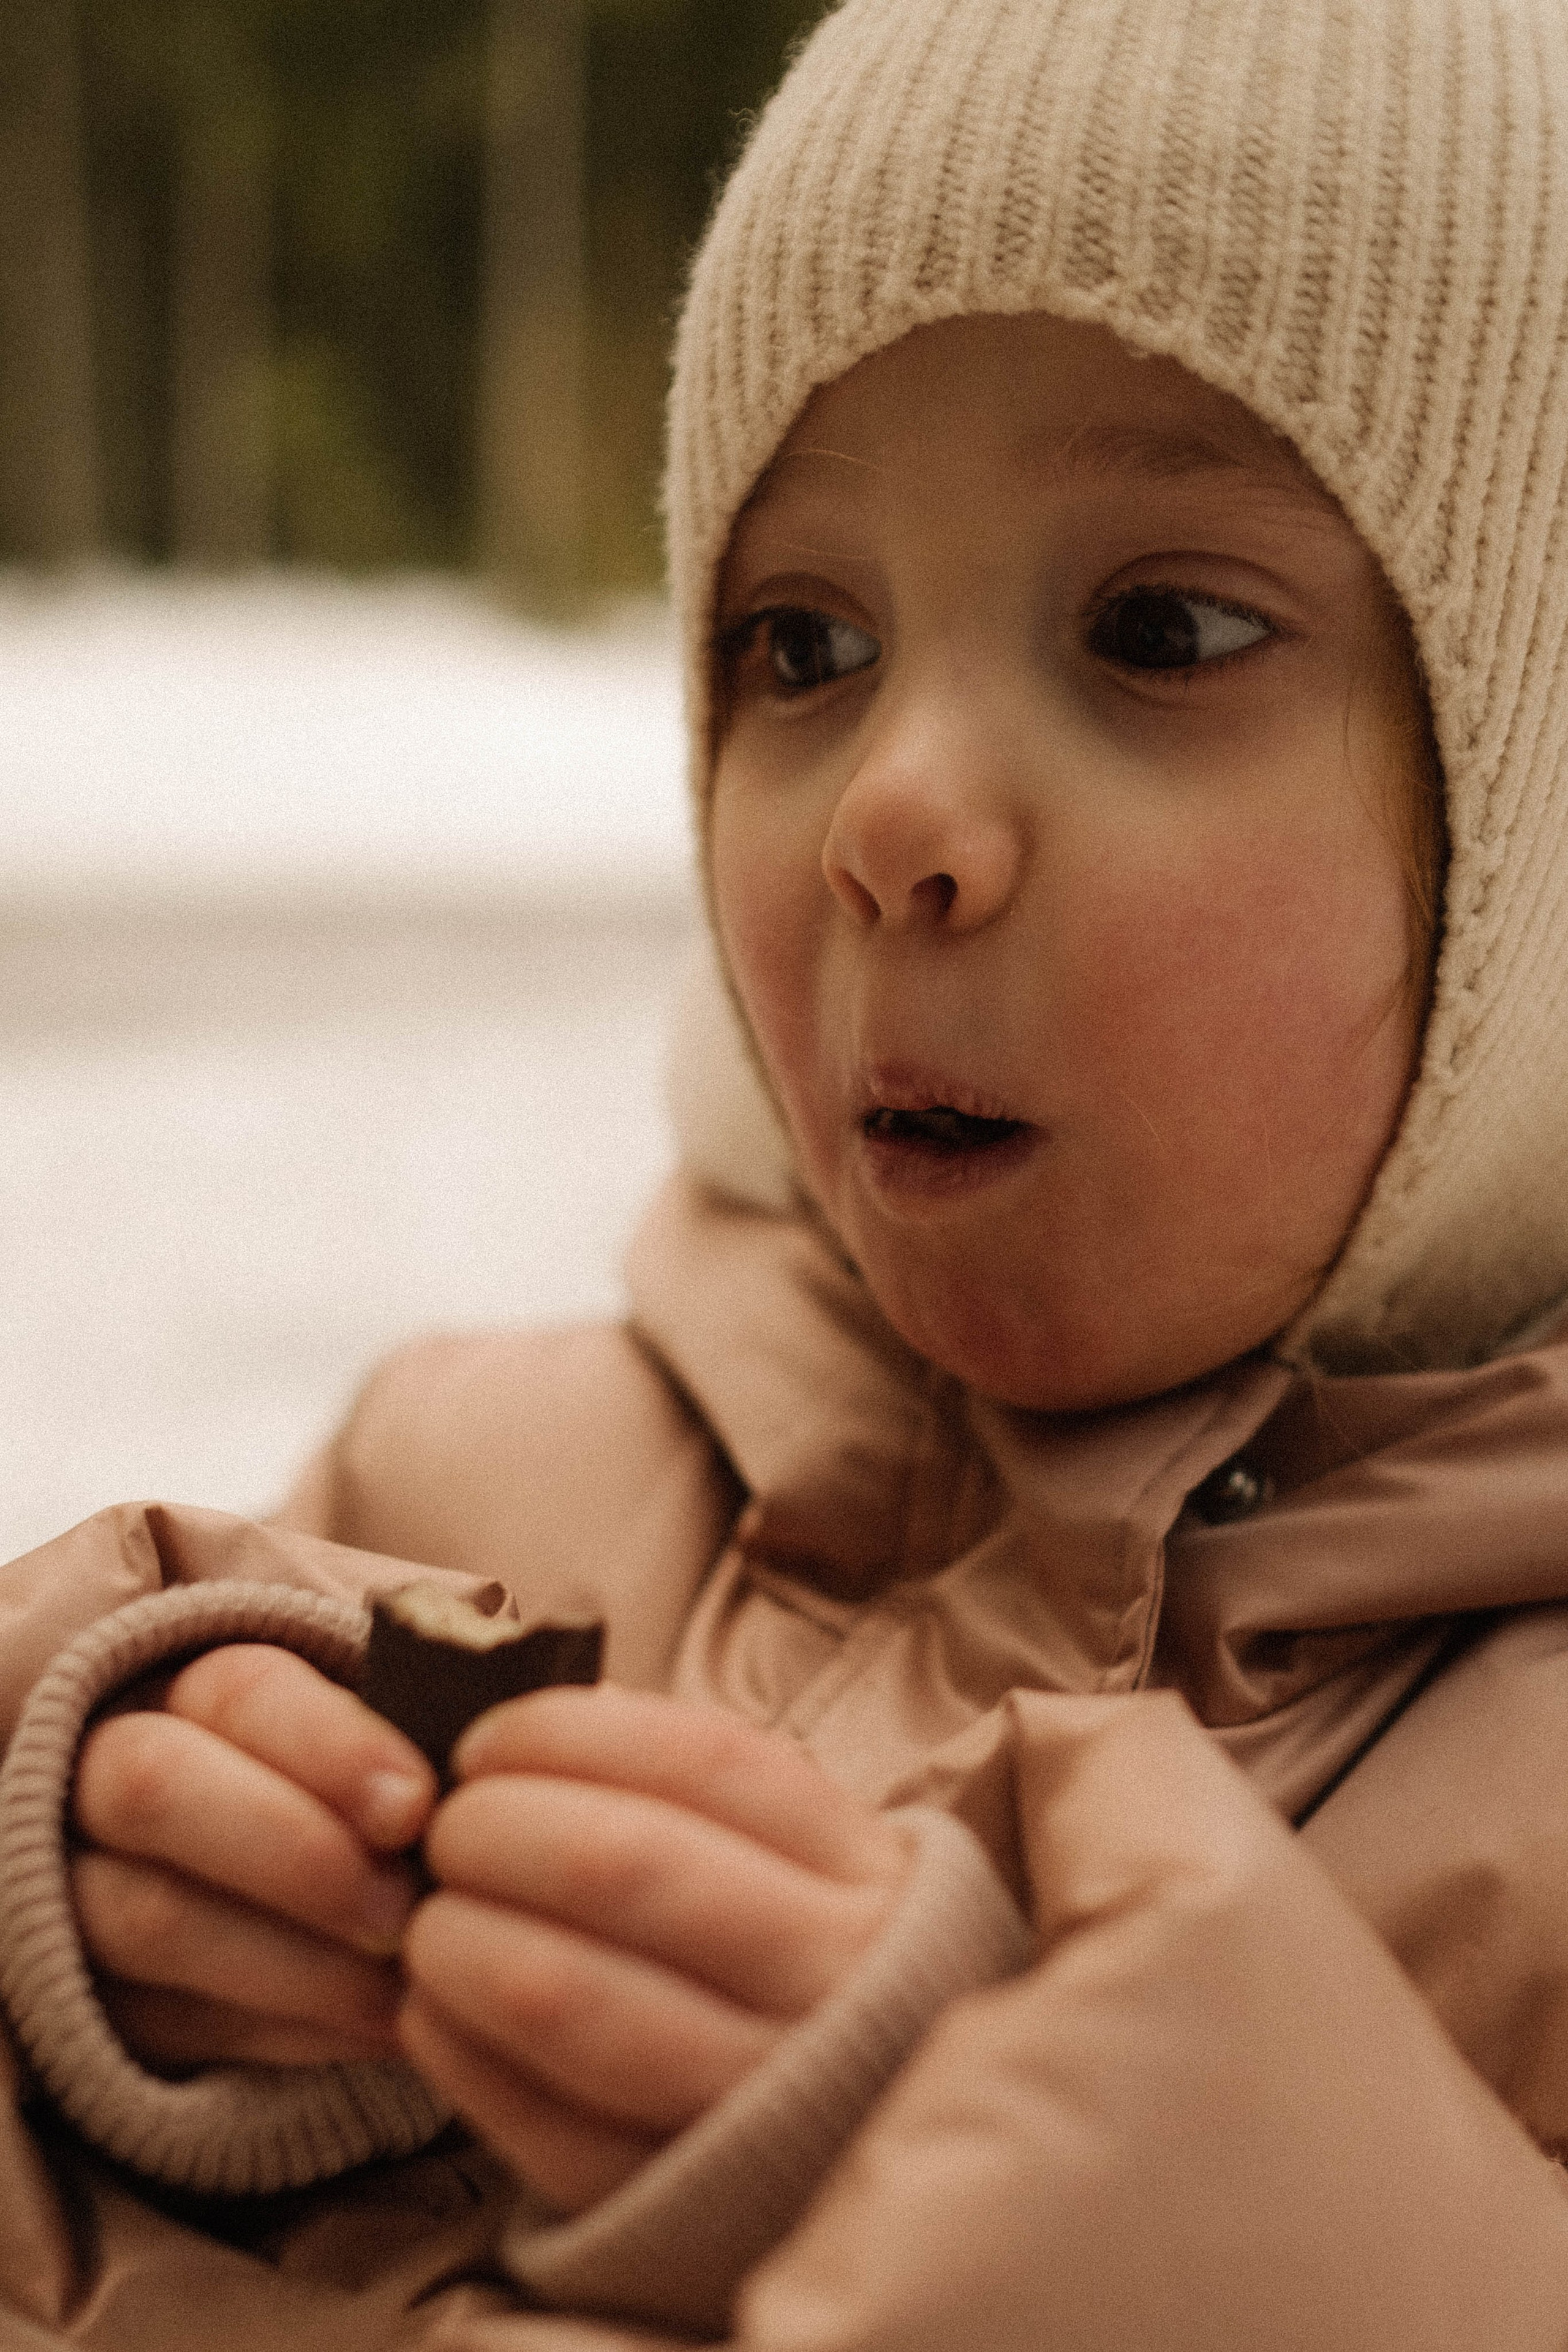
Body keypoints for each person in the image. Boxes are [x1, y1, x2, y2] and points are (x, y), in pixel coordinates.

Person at [6, 0, 1568, 2342]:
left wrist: (1019, 2182)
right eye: (800, 642)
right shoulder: (463, 1484)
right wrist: (87, 1937)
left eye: (1161, 629)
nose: (892, 817)